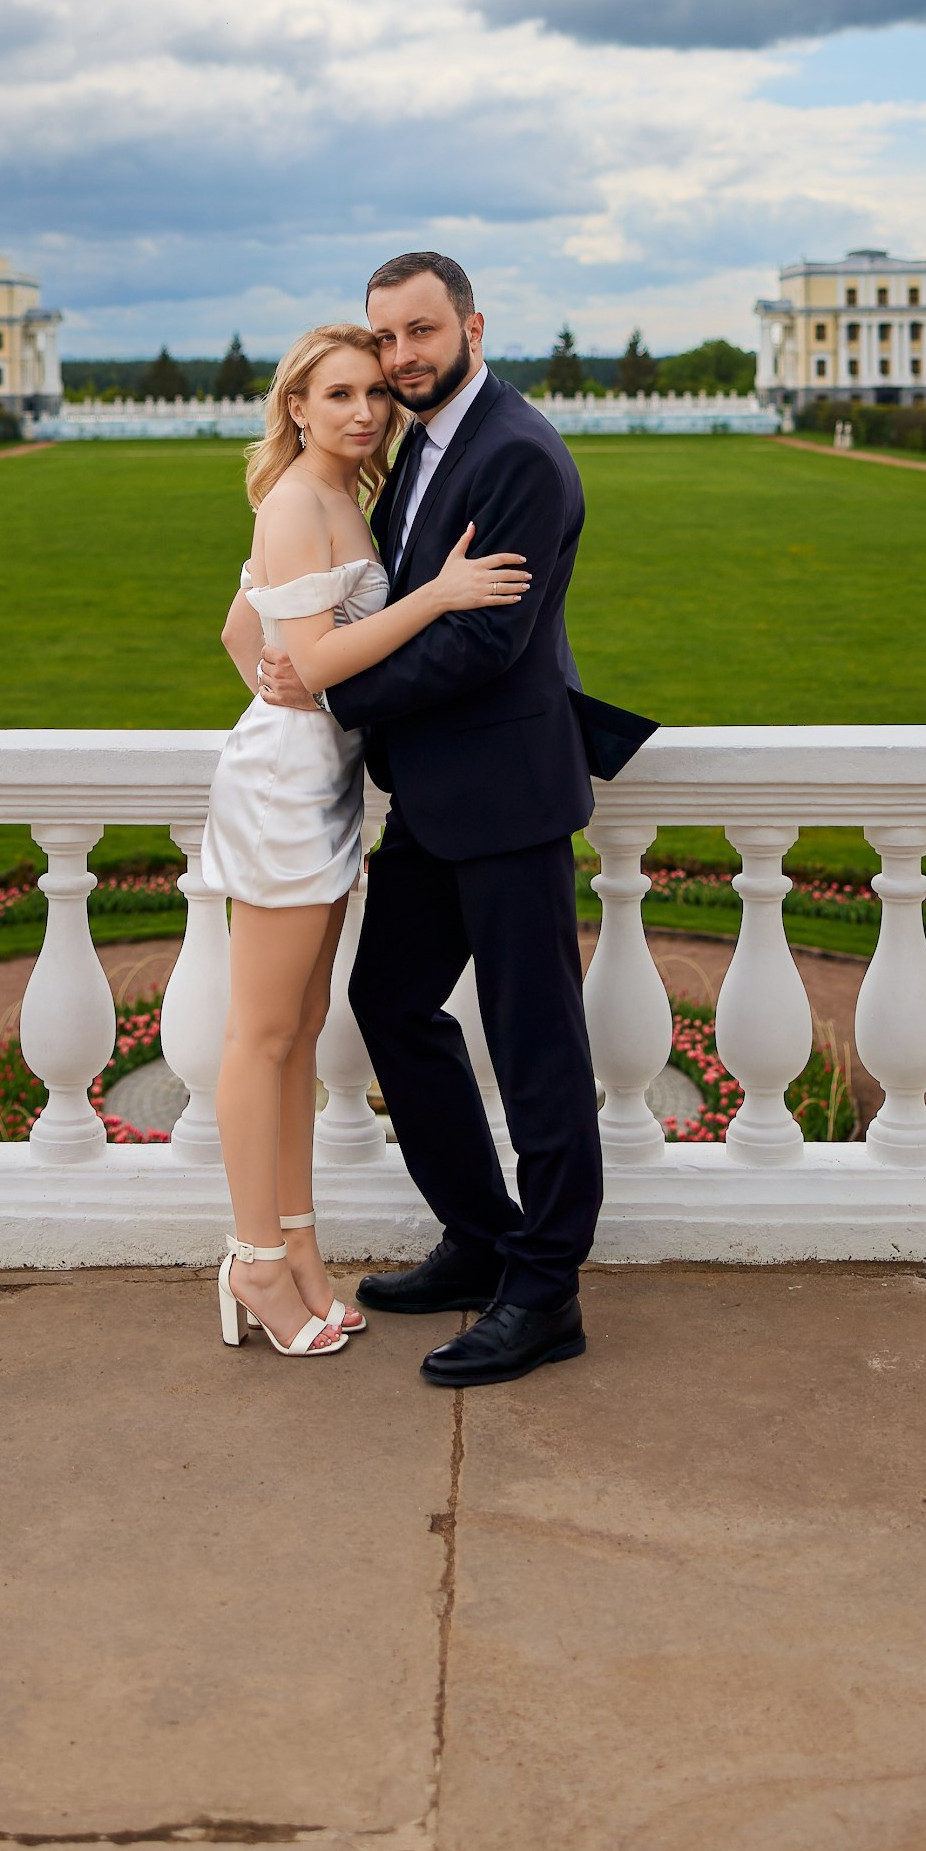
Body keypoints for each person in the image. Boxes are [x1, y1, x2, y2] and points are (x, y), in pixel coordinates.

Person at [255, 251, 613, 1388]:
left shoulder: (514, 451)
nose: (401, 357)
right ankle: (480, 1236)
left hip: (504, 795)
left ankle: (546, 1288)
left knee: (535, 1042)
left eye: (420, 332)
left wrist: (329, 688)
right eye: (385, 338)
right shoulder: (422, 442)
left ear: (469, 322)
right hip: (436, 794)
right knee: (391, 1004)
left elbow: (483, 641)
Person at [205, 322, 531, 1360]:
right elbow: (315, 655)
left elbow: (240, 634)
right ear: (295, 405)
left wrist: (286, 682)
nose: (362, 411)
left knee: (299, 1029)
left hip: (324, 782)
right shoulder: (300, 500)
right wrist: (435, 596)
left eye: (373, 395)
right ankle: (255, 1261)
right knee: (262, 1036)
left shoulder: (342, 495)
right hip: (283, 793)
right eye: (336, 393)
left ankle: (298, 1250)